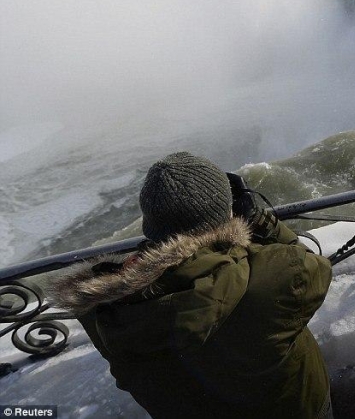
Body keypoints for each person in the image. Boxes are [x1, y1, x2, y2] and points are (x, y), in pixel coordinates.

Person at [49, 152, 333, 419]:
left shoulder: (102, 306)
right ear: (225, 213)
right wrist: (263, 224)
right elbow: (312, 266)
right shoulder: (272, 274)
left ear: (151, 222)